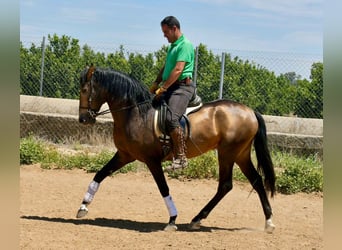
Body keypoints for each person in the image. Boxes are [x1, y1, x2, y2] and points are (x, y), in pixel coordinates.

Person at [150, 16, 196, 171]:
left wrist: (163, 88)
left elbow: (178, 70)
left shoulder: (185, 45)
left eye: (165, 32)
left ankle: (181, 158)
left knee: (171, 118)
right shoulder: (173, 46)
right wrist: (156, 82)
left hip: (182, 88)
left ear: (174, 28)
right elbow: (167, 67)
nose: (164, 35)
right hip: (170, 87)